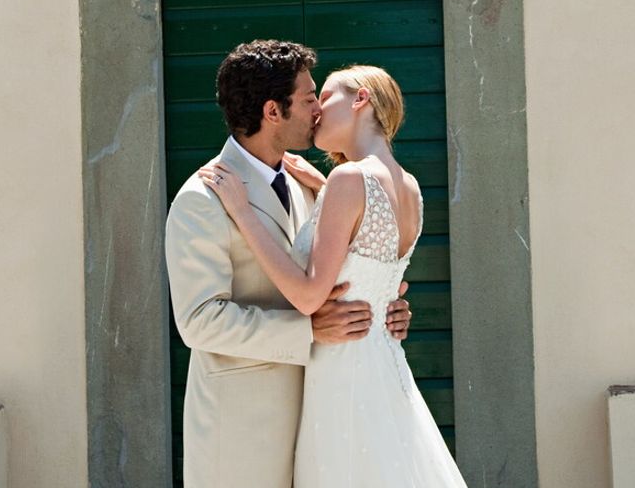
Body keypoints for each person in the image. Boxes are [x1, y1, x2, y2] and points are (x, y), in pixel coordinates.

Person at [199, 63, 467, 487]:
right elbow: (369, 262)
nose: (317, 111)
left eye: (324, 97)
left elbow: (309, 297)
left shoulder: (348, 179)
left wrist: (242, 211)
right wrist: (325, 189)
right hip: (384, 369)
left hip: (342, 378)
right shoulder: (411, 188)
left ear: (360, 99)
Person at [164, 40, 414, 488]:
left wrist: (382, 306)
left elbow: (346, 267)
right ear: (272, 111)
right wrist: (308, 330)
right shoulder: (202, 200)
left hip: (323, 419)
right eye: (307, 98)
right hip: (243, 433)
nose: (317, 108)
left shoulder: (312, 188)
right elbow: (198, 322)